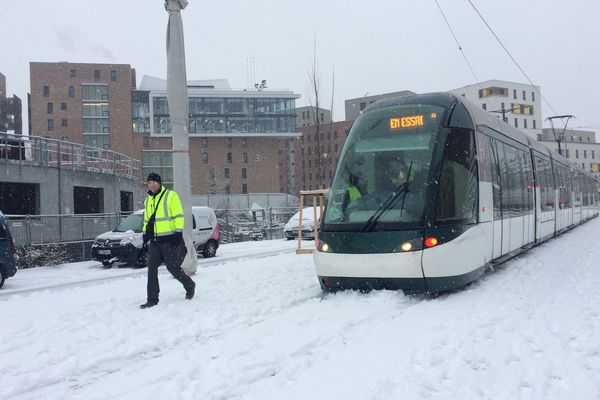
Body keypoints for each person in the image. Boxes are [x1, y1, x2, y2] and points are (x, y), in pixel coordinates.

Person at [139, 172, 196, 309]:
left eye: (154, 182)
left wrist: (178, 232)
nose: (151, 185)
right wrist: (145, 233)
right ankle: (152, 299)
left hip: (169, 239)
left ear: (159, 183)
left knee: (172, 267)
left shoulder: (170, 196)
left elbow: (178, 215)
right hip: (155, 241)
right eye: (149, 182)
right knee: (151, 268)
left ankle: (189, 285)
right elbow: (147, 220)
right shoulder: (148, 201)